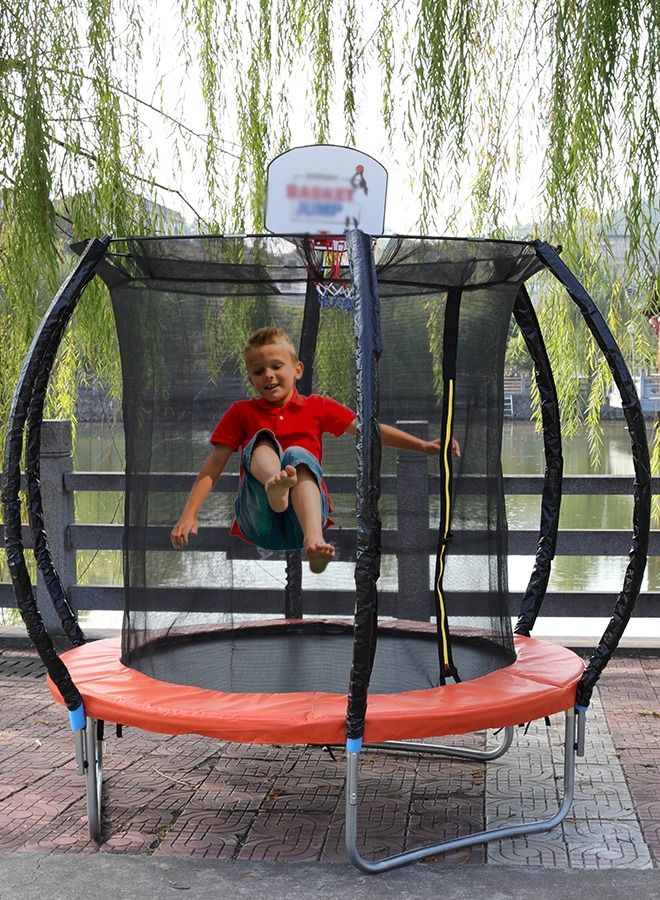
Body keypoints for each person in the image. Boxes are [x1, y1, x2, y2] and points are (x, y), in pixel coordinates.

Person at [171, 326, 460, 574]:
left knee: (298, 456)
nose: (268, 375)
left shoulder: (317, 407)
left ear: (297, 370)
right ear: (251, 379)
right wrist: (190, 513)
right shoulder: (241, 412)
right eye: (259, 371)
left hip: (303, 521)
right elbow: (214, 464)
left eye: (276, 366)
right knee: (261, 441)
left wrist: (424, 445)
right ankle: (275, 489)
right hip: (258, 519)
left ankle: (314, 541)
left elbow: (369, 431)